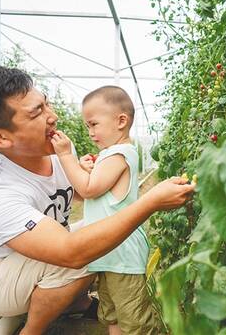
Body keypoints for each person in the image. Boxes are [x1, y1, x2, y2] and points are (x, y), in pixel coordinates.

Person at [0, 67, 194, 335]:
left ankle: (72, 302)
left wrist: (83, 172)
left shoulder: (54, 152)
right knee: (87, 249)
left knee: (102, 230)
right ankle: (30, 329)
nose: (52, 117)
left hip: (34, 262)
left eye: (46, 104)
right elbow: (71, 252)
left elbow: (78, 194)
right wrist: (151, 202)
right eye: (36, 113)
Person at [50, 86, 158, 335]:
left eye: (94, 124)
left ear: (121, 121)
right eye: (87, 126)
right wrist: (83, 169)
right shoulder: (110, 155)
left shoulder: (120, 153)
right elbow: (86, 194)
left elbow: (88, 189)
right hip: (109, 253)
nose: (90, 132)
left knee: (135, 319)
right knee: (111, 313)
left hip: (123, 256)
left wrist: (66, 156)